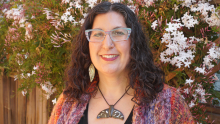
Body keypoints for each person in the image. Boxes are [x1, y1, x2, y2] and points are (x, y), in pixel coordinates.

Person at [48, 2, 194, 124]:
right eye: (98, 34)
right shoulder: (68, 103)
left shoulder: (168, 102)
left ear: (134, 42)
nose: (107, 44)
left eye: (118, 33)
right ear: (88, 45)